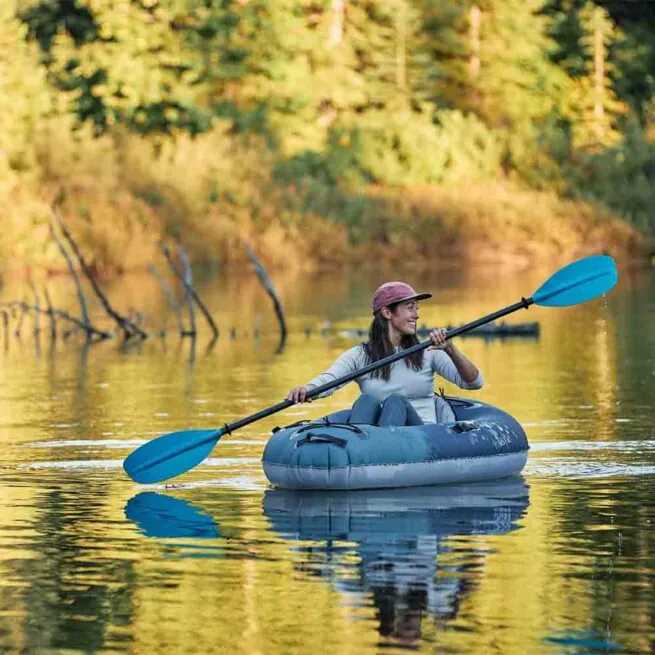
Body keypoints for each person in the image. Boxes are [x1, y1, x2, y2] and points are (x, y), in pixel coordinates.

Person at [286, 281, 484, 426]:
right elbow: (330, 380)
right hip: (377, 441)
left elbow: (474, 383)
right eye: (409, 308)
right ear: (387, 313)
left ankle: (376, 453)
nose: (416, 315)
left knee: (396, 401)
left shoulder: (430, 350)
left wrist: (450, 349)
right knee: (366, 401)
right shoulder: (360, 355)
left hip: (423, 438)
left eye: (417, 308)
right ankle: (361, 457)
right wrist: (306, 389)